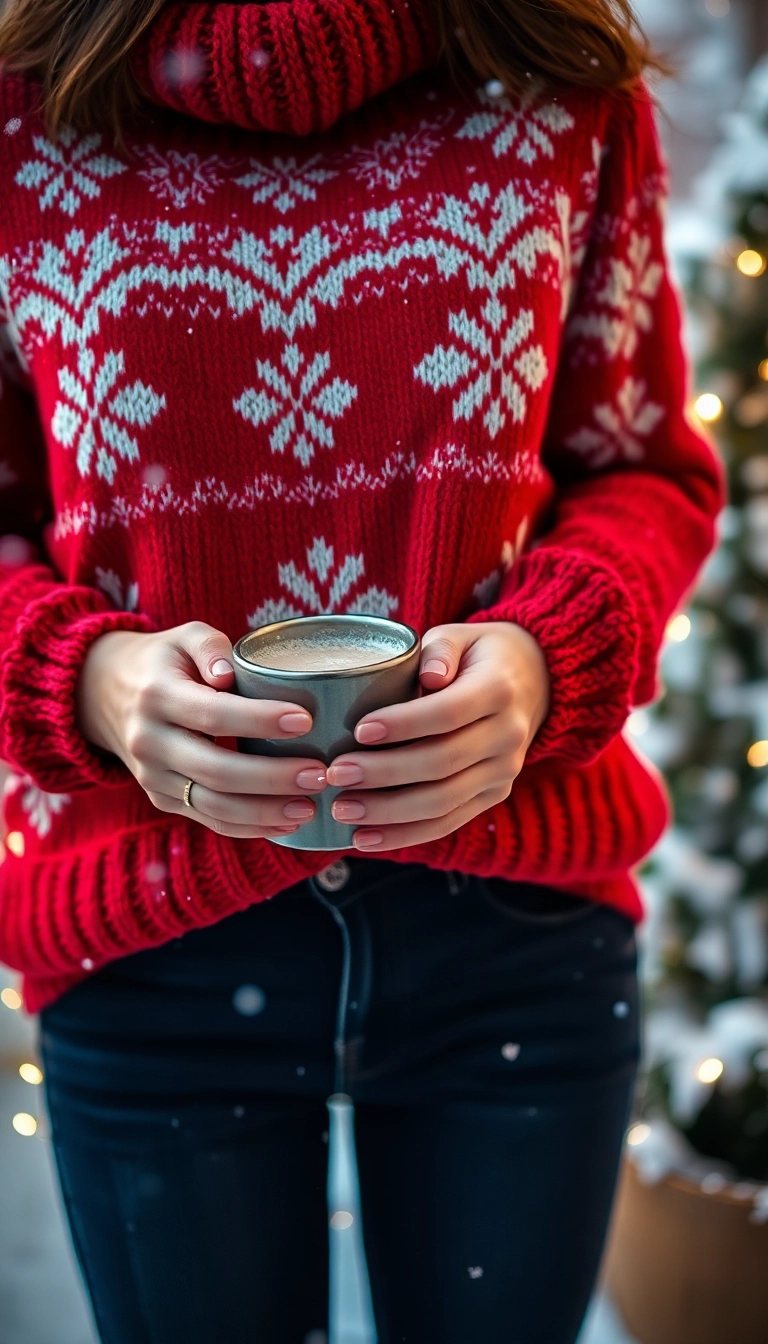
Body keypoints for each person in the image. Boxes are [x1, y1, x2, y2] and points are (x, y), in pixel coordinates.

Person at [0, 0, 724, 1339]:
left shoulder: (554, 78)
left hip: (516, 934)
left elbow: (641, 466)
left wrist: (544, 657)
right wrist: (85, 680)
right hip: (148, 940)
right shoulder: (16, 112)